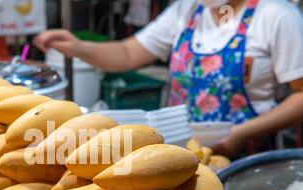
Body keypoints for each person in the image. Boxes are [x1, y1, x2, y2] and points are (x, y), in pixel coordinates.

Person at [34, 0, 303, 156]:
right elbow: (128, 53)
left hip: (247, 155)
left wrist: (241, 133)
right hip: (180, 152)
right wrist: (78, 48)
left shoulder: (276, 16)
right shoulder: (187, 10)